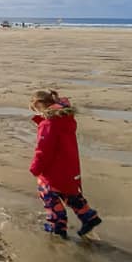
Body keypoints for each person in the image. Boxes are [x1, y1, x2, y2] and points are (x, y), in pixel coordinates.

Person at [28, 90, 102, 240]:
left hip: (53, 173)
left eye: (36, 110)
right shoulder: (66, 119)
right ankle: (88, 217)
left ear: (39, 105)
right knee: (71, 194)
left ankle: (57, 226)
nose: (38, 114)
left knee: (48, 194)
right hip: (70, 169)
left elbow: (43, 151)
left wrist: (35, 168)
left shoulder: (48, 124)